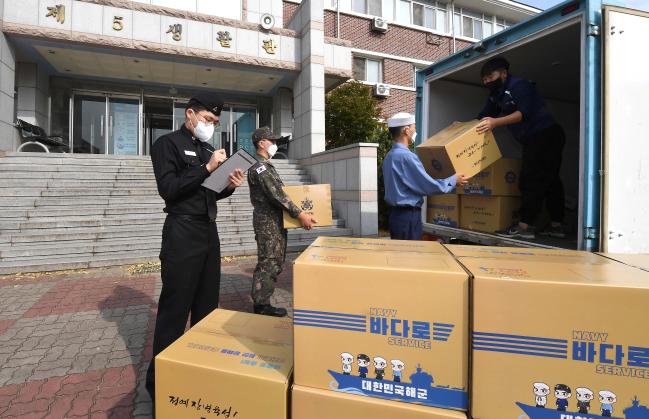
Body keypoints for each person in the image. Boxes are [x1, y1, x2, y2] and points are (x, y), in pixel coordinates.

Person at [146, 93, 245, 403]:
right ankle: (160, 386)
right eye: (207, 119)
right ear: (189, 113)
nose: (211, 126)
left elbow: (207, 195)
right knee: (175, 311)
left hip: (207, 231)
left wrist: (228, 185)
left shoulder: (206, 150)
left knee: (206, 308)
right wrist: (206, 169)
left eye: (215, 122)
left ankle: (199, 371)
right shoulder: (167, 144)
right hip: (182, 232)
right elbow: (170, 189)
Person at [476, 56, 566, 240]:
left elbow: (522, 114)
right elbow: (484, 116)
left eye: (489, 77)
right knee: (550, 180)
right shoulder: (496, 95)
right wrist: (461, 128)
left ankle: (525, 226)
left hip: (546, 134)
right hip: (534, 138)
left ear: (503, 73)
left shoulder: (519, 86)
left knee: (530, 178)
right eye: (484, 79)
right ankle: (557, 225)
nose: (487, 82)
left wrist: (495, 123)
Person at [248, 127, 317, 317]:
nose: (275, 144)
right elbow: (277, 196)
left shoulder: (266, 166)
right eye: (272, 141)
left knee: (274, 261)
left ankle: (261, 301)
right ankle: (261, 305)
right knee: (268, 262)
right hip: (268, 223)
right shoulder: (260, 168)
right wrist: (300, 214)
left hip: (274, 222)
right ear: (261, 143)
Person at [382, 112, 469, 240]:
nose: (414, 130)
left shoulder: (389, 156)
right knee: (410, 257)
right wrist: (453, 180)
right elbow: (428, 186)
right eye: (413, 127)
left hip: (397, 216)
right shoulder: (406, 157)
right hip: (408, 218)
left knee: (400, 256)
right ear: (406, 130)